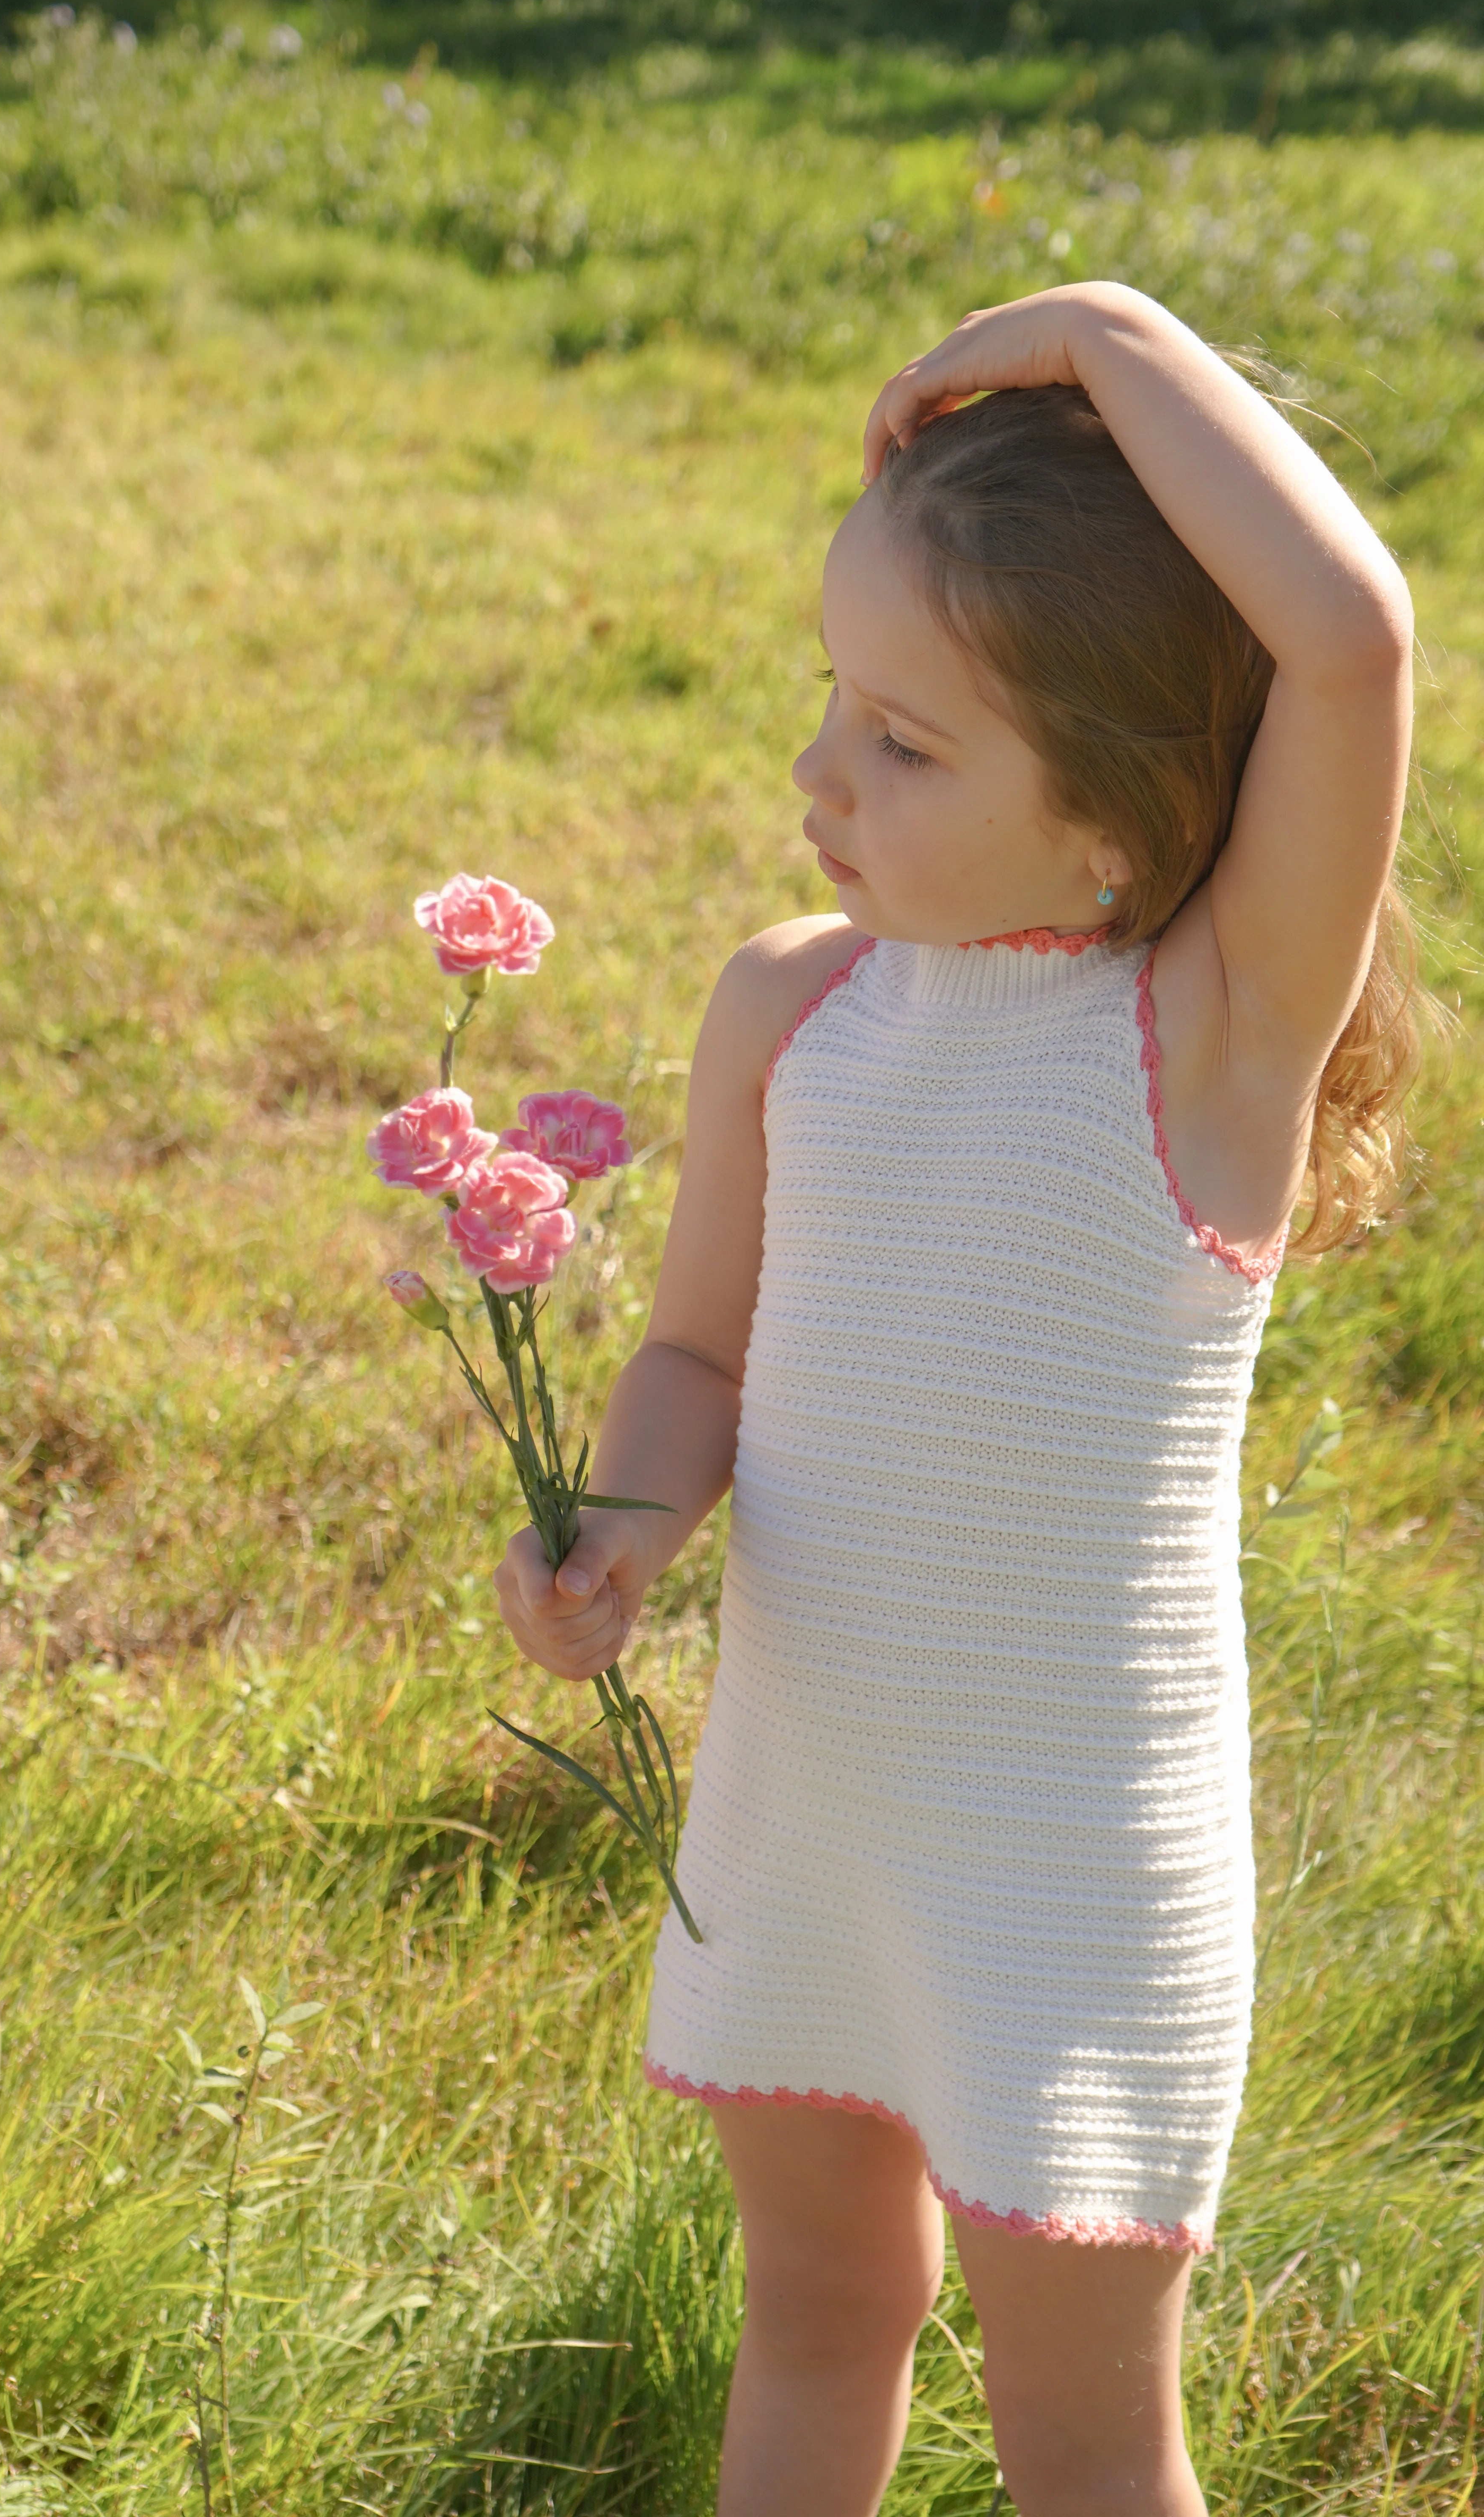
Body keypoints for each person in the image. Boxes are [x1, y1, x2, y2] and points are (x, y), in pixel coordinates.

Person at [494, 281, 1422, 2517]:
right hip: (814, 1800)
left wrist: (1106, 333)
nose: (823, 778)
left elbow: (1353, 643)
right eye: (834, 700)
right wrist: (621, 1523)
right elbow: (703, 1347)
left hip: (1073, 1862)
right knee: (816, 2318)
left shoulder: (1206, 1048)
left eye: (907, 747)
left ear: (1118, 821)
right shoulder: (798, 1012)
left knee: (1085, 2442)